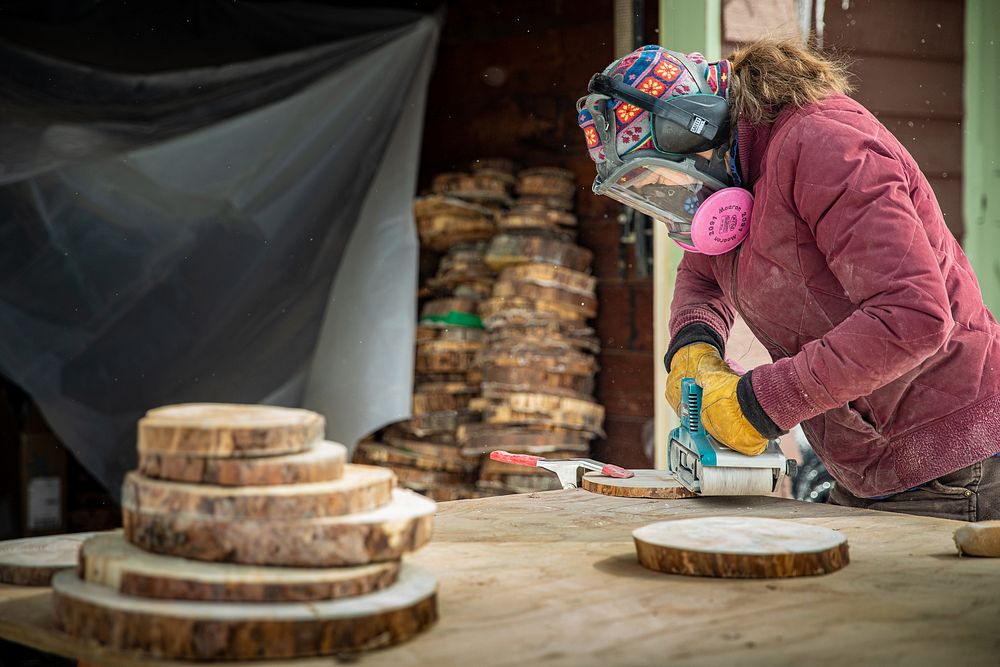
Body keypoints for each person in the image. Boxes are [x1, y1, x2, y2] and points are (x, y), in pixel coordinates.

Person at [577, 39, 1000, 521]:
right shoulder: (731, 171)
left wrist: (758, 404)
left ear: (699, 127)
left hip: (957, 466)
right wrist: (694, 349)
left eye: (664, 181)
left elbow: (913, 316)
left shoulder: (829, 145)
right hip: (869, 467)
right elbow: (702, 272)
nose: (675, 201)